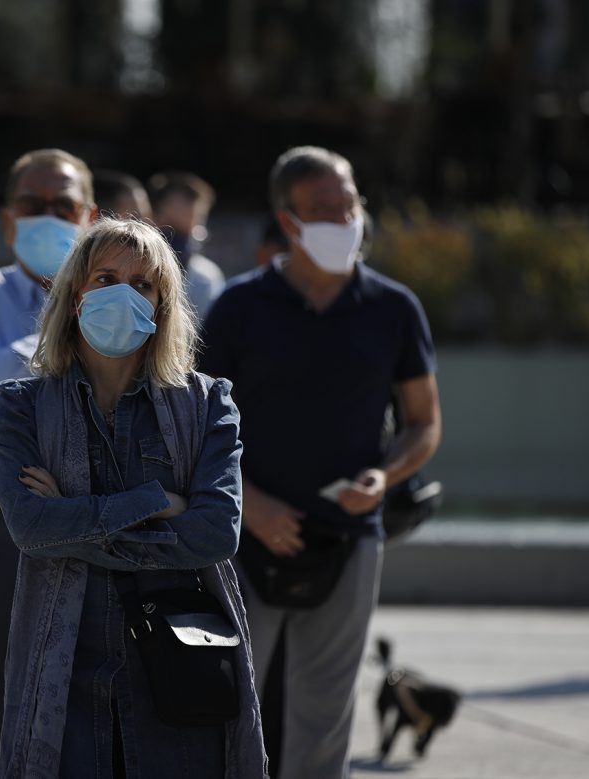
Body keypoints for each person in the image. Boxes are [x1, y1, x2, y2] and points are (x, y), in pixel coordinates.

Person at [198, 146, 441, 778]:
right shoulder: (238, 307)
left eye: (350, 204)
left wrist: (385, 477)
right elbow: (194, 425)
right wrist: (249, 503)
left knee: (326, 714)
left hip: (350, 538)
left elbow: (423, 421)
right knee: (226, 705)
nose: (343, 219)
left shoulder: (394, 309)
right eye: (323, 209)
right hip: (242, 538)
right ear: (289, 218)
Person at [0, 217, 265, 776]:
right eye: (105, 278)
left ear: (162, 304)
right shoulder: (24, 406)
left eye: (142, 284)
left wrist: (73, 521)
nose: (123, 293)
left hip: (178, 673)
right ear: (74, 298)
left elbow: (214, 535)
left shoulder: (209, 405)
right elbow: (29, 529)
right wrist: (157, 501)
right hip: (64, 672)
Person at [0, 148, 98, 779]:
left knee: (88, 708)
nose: (49, 216)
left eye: (65, 205)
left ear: (89, 216)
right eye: (34, 205)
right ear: (9, 222)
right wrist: (63, 325)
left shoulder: (117, 300)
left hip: (92, 528)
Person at [147, 170, 225, 318]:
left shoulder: (205, 278)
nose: (175, 243)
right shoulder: (131, 270)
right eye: (168, 226)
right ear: (152, 218)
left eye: (184, 229)